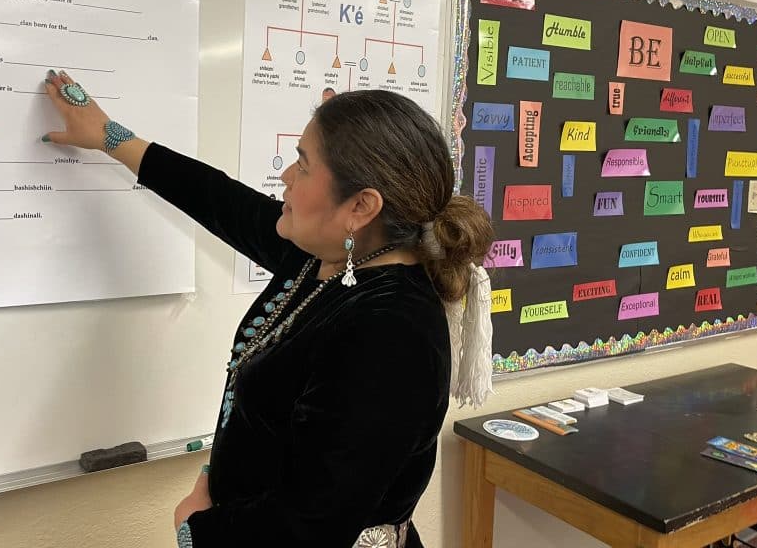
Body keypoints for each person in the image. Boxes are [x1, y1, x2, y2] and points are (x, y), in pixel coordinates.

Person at [41, 70, 495, 548]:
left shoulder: (392, 331)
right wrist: (111, 137)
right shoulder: (326, 259)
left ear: (360, 207)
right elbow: (220, 200)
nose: (285, 177)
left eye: (302, 165)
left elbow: (311, 523)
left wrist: (196, 530)